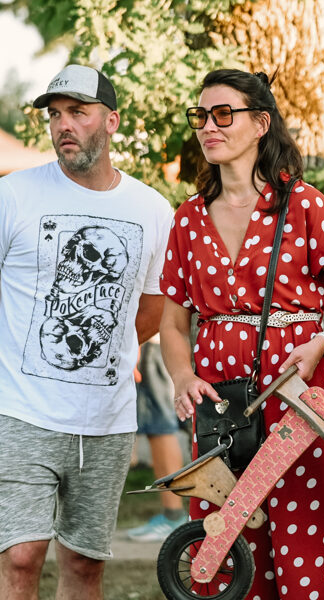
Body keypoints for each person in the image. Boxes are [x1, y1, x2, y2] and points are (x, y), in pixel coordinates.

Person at [159, 68, 324, 599]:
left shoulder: (303, 204)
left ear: (260, 124)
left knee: (310, 533)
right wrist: (182, 376)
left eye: (223, 114)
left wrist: (321, 343)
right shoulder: (187, 218)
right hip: (221, 404)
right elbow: (172, 322)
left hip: (297, 392)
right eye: (201, 116)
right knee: (227, 536)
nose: (208, 126)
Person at [0, 64, 173, 599]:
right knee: (20, 558)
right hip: (19, 410)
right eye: (55, 115)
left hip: (105, 418)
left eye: (78, 112)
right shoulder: (14, 195)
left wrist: (103, 346)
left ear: (111, 121)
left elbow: (153, 308)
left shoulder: (151, 210)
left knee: (83, 563)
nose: (64, 125)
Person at [127, 335, 187, 542]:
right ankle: (173, 515)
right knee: (158, 429)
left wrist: (137, 347)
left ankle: (174, 516)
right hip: (147, 348)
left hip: (148, 348)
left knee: (160, 428)